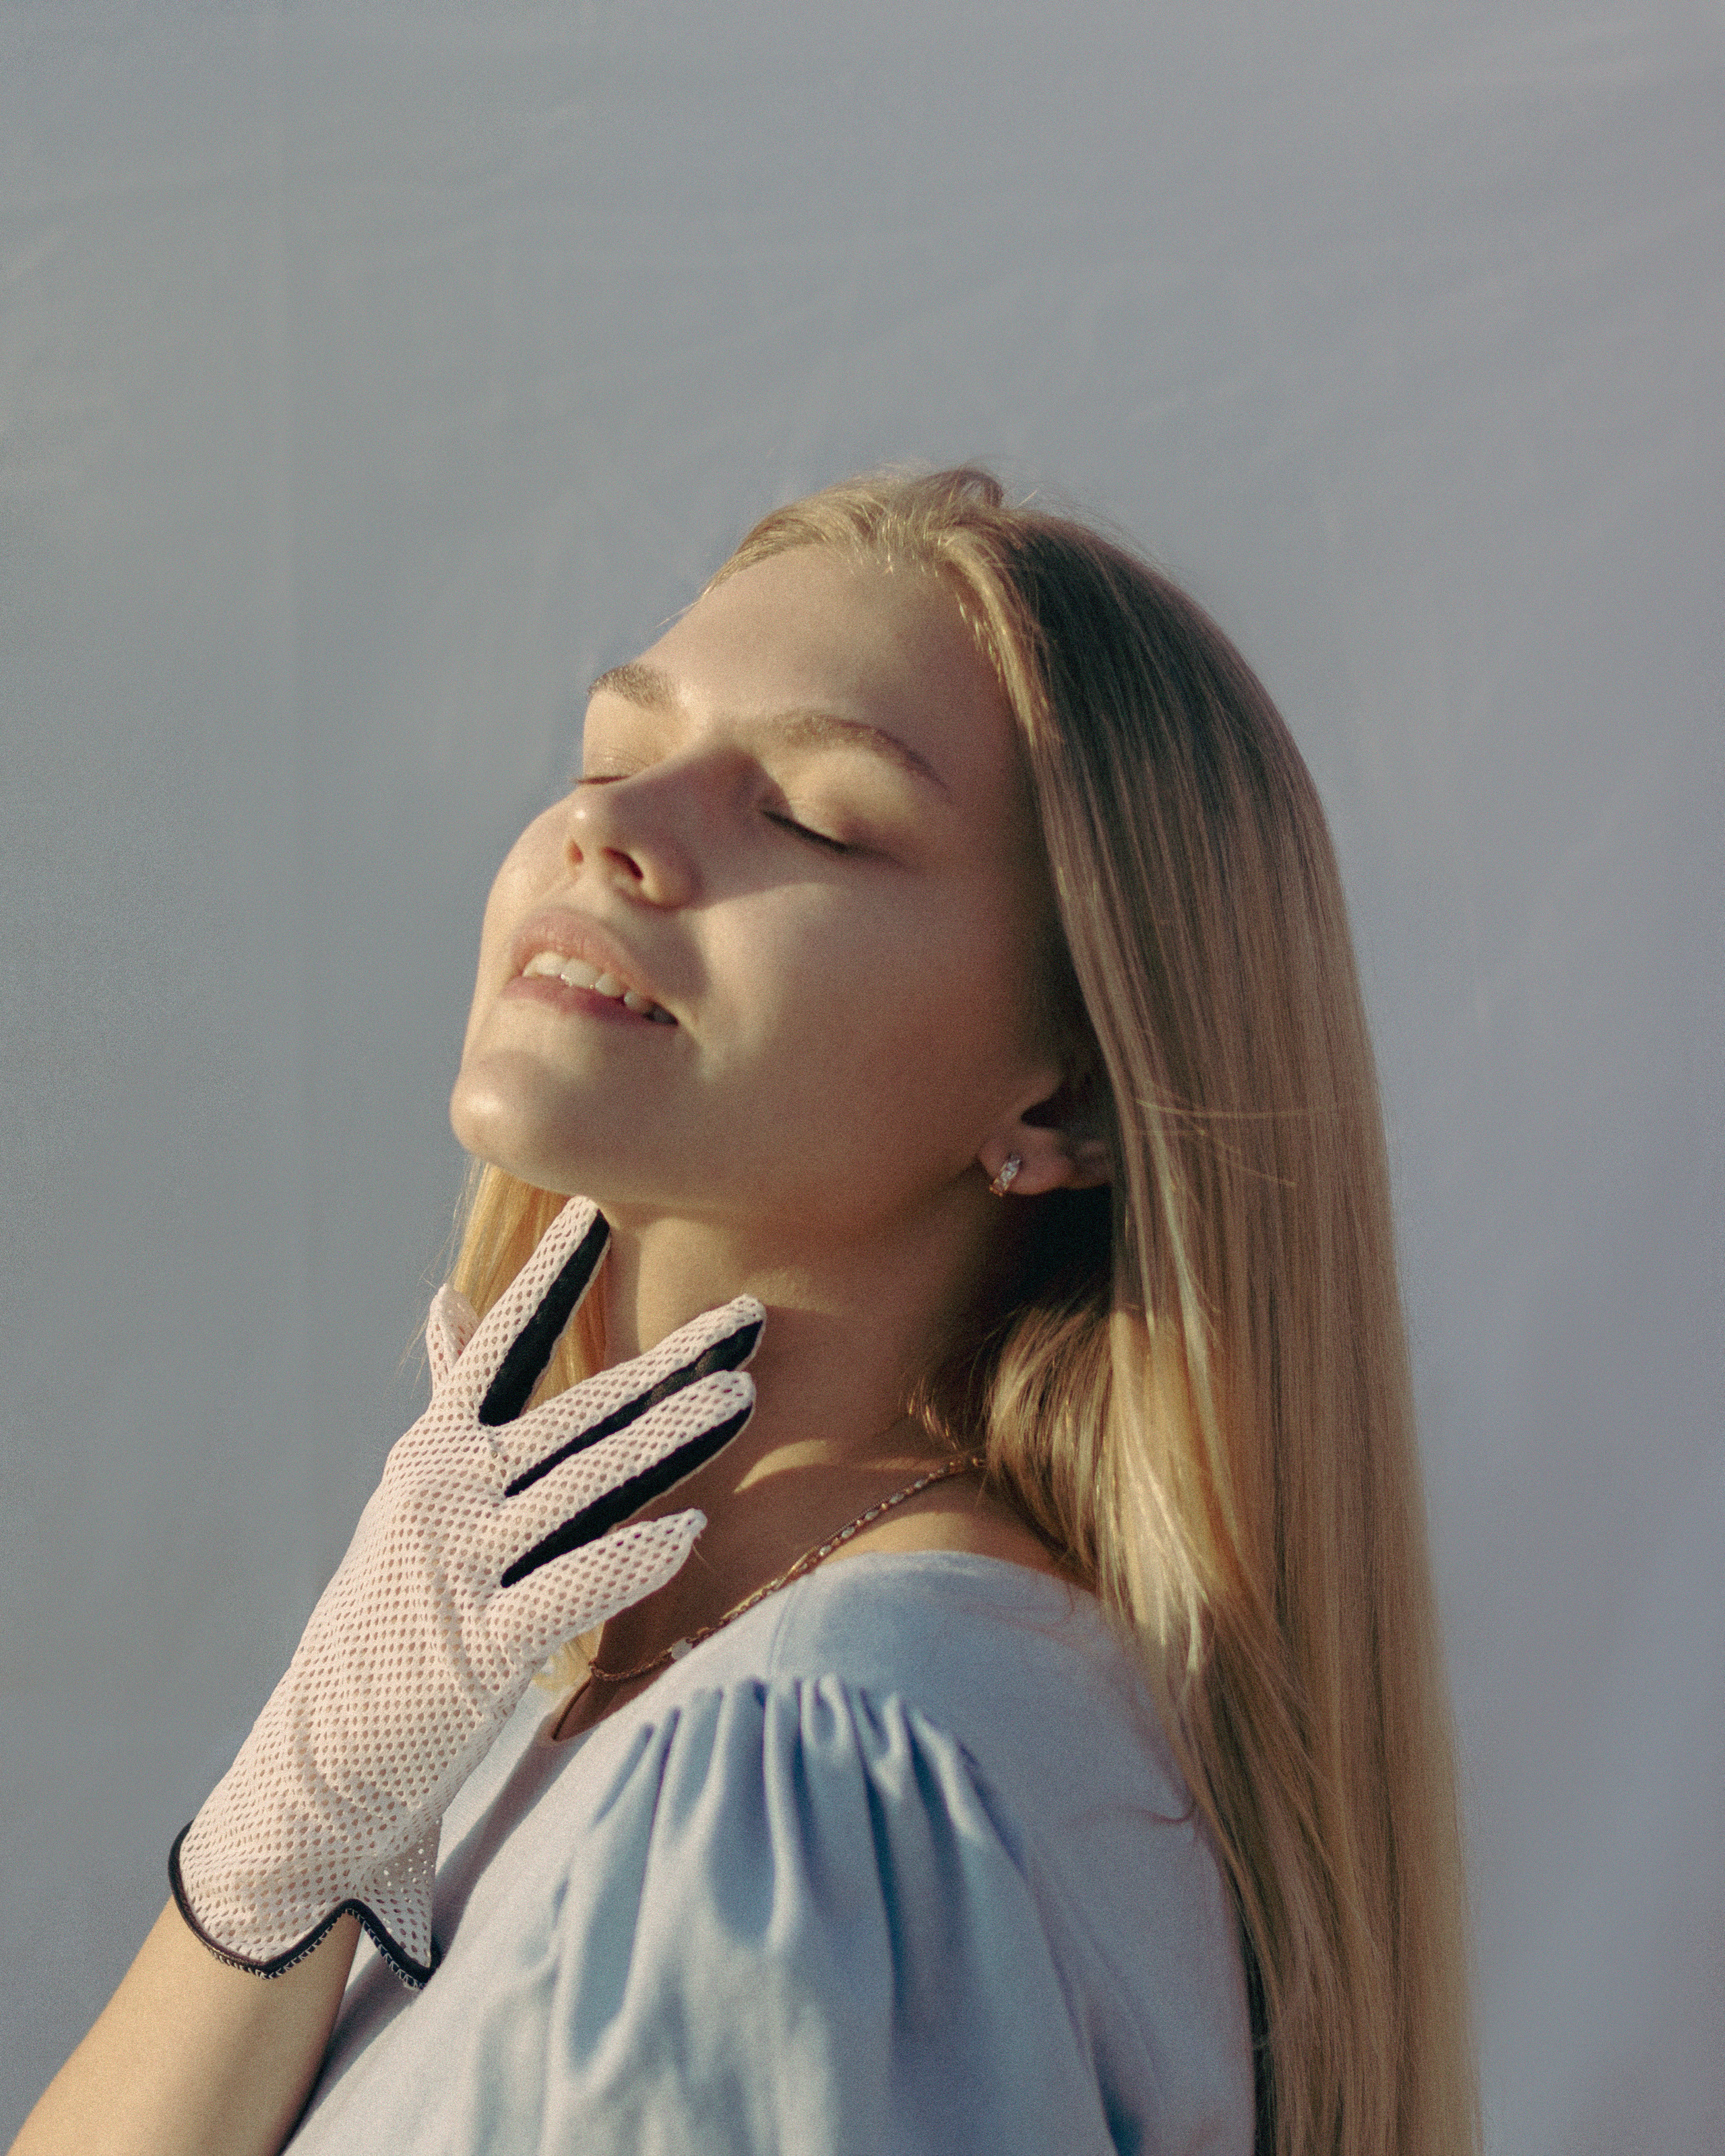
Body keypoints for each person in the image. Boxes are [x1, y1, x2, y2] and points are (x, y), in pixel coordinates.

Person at [12, 467, 1478, 2156]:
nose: (609, 830)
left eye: (813, 818)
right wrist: (284, 1845)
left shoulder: (820, 1781)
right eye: (609, 755)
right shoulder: (598, 1725)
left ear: (1066, 1093)